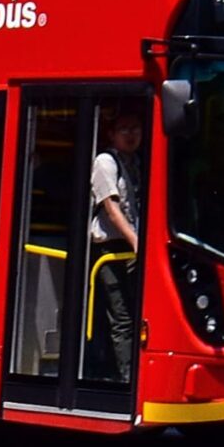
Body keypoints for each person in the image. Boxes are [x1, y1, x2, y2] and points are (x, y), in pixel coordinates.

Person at [87, 107, 145, 382]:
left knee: (139, 313)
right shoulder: (105, 162)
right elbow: (111, 208)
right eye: (124, 129)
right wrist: (137, 241)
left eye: (136, 128)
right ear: (111, 134)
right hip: (111, 250)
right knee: (122, 317)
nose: (131, 134)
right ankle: (127, 379)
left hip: (133, 248)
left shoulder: (139, 163)